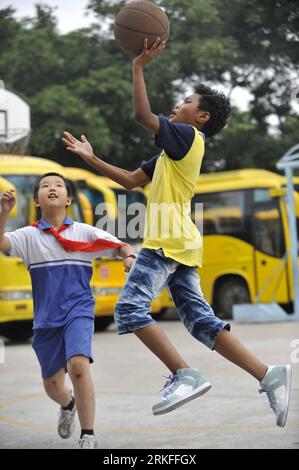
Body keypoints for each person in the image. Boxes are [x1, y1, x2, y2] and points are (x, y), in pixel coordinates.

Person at [62, 38, 291, 427]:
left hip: (167, 241)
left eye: (186, 101)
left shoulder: (187, 138)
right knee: (201, 322)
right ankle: (269, 374)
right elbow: (131, 180)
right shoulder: (172, 152)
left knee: (129, 310)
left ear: (201, 117)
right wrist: (91, 158)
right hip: (182, 242)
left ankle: (185, 374)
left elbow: (141, 114)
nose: (177, 105)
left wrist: (138, 66)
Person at [0, 173, 136, 449]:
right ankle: (68, 403)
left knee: (78, 365)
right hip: (46, 319)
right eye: (45, 186)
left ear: (68, 199)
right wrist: (3, 214)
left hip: (79, 310)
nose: (52, 189)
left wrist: (130, 257)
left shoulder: (84, 233)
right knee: (53, 386)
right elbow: (1, 244)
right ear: (37, 200)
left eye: (58, 186)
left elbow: (120, 246)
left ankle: (88, 435)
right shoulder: (27, 237)